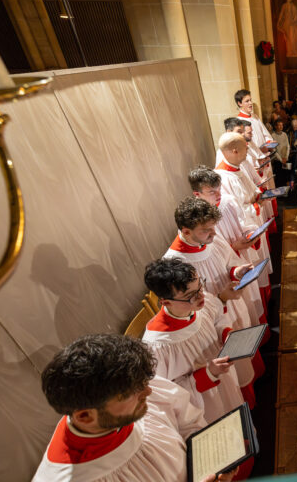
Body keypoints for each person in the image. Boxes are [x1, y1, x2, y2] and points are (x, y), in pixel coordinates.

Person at [33, 334, 234, 482]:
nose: (148, 391)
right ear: (85, 416)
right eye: (133, 392)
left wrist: (212, 461)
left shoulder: (133, 389)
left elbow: (187, 421)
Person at [163, 197, 261, 407]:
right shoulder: (173, 263)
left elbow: (228, 261)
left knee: (243, 357)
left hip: (230, 305)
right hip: (211, 322)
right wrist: (220, 299)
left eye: (213, 228)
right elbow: (189, 305)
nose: (214, 234)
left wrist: (237, 271)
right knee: (231, 381)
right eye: (206, 230)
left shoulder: (210, 238)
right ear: (186, 231)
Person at [142, 259, 245, 425]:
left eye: (200, 286)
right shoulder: (157, 346)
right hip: (204, 401)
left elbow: (217, 319)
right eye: (190, 295)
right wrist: (208, 374)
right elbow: (166, 395)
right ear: (166, 302)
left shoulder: (200, 304)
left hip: (223, 377)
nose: (201, 296)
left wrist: (225, 333)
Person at [189, 166, 269, 318]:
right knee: (238, 309)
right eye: (212, 192)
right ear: (197, 194)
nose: (219, 194)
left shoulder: (228, 201)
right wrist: (233, 247)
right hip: (222, 272)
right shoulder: (195, 221)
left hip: (241, 257)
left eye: (219, 188)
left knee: (250, 299)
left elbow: (244, 222)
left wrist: (250, 233)